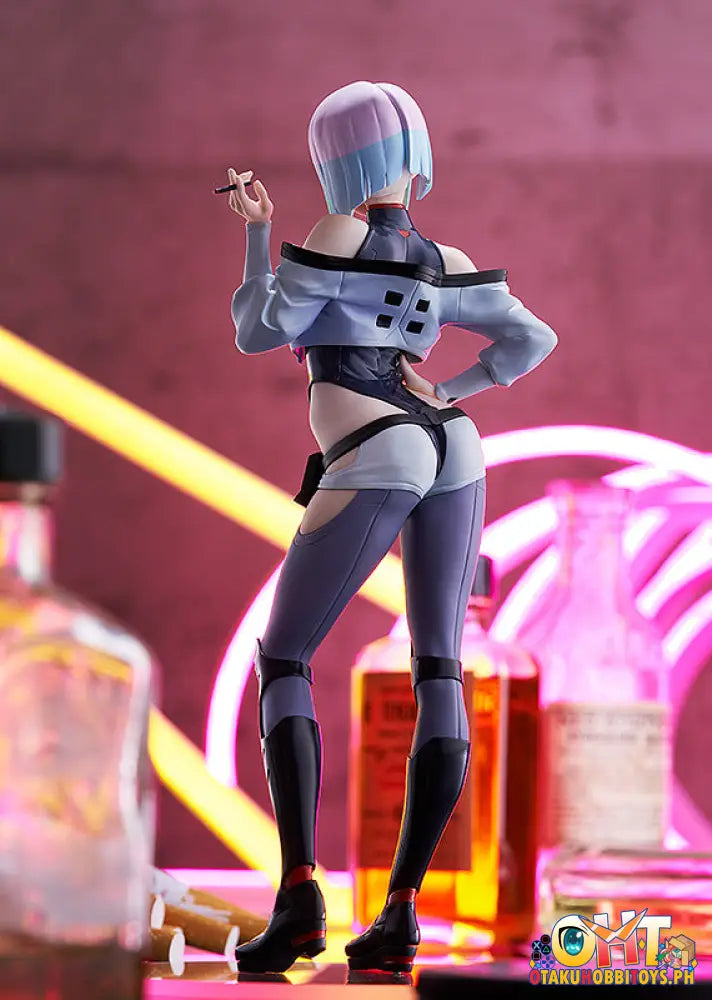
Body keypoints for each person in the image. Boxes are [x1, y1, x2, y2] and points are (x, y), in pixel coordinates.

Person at [228, 81, 557, 974]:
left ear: (335, 160)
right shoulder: (444, 257)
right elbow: (532, 339)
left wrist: (258, 234)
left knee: (285, 658)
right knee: (440, 664)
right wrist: (452, 389)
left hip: (376, 445)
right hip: (454, 443)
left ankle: (300, 898)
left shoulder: (337, 232)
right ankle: (401, 913)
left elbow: (261, 329)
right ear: (414, 154)